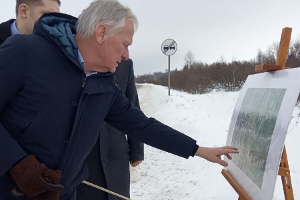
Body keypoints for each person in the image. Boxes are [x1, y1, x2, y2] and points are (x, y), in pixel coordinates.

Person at [0, 1, 239, 200]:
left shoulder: (103, 85)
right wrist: (17, 163)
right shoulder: (26, 52)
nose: (126, 55)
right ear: (101, 33)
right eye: (125, 44)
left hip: (62, 194)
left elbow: (142, 126)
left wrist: (197, 149)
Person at [0, 1, 144, 198]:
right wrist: (16, 162)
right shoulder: (18, 49)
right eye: (45, 14)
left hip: (87, 167)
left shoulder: (100, 62)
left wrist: (137, 149)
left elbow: (132, 109)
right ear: (23, 10)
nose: (50, 22)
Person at [77, 59, 144, 200]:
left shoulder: (125, 64)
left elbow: (133, 106)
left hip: (117, 153)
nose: (125, 52)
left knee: (118, 195)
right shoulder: (76, 59)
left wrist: (137, 149)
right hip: (83, 156)